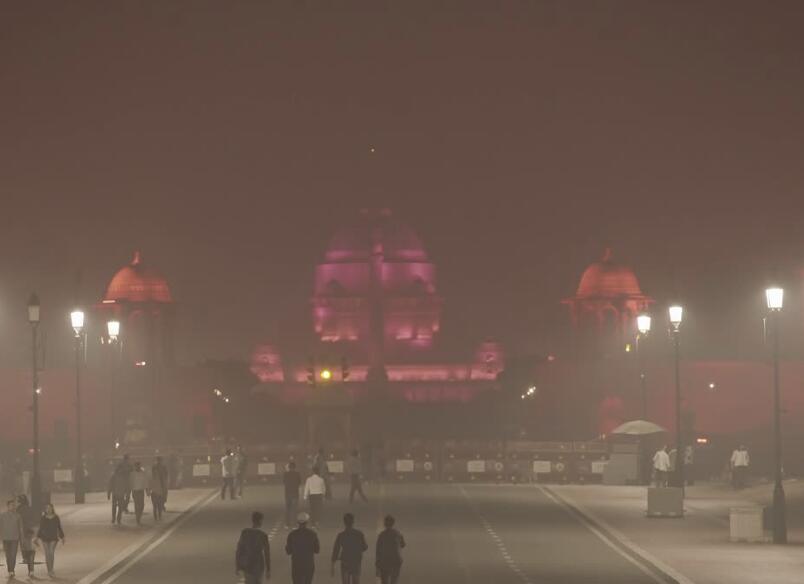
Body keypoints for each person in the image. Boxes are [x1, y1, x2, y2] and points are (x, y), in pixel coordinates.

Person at [331, 513, 367, 584]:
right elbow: (365, 547)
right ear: (353, 522)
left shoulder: (341, 535)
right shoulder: (359, 534)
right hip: (356, 561)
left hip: (345, 561)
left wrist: (333, 563)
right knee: (356, 581)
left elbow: (336, 549)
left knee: (345, 582)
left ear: (344, 522)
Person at [236, 511, 271, 583]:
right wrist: (268, 570)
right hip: (259, 565)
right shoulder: (263, 535)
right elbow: (267, 553)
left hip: (248, 564)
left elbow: (239, 549)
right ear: (260, 521)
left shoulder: (245, 532)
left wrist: (238, 565)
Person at [285, 512, 320, 584]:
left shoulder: (292, 535)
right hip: (309, 564)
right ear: (307, 522)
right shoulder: (313, 534)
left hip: (296, 564)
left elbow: (288, 551)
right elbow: (317, 550)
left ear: (298, 522)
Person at [35, 503, 65, 578]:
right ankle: (49, 570)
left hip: (53, 537)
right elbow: (40, 528)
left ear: (52, 508)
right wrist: (37, 537)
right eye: (47, 508)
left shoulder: (56, 517)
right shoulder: (43, 518)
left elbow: (59, 527)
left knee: (51, 552)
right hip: (44, 537)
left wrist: (62, 537)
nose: (48, 509)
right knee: (47, 554)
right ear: (45, 509)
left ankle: (51, 569)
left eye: (50, 508)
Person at [375, 515, 406, 584]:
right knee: (394, 581)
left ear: (385, 524)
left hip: (385, 561)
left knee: (384, 581)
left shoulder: (381, 535)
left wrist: (377, 564)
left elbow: (378, 551)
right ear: (393, 523)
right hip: (396, 560)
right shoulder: (398, 534)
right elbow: (403, 545)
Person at [1, 499, 23, 578]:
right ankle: (9, 569)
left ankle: (12, 570)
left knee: (13, 555)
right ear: (7, 506)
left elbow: (21, 528)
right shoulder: (2, 516)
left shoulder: (18, 516)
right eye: (11, 505)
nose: (12, 506)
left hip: (15, 538)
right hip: (5, 539)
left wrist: (21, 539)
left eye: (14, 505)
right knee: (8, 556)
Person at [17, 494, 36, 578]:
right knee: (29, 547)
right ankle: (30, 567)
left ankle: (25, 558)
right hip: (29, 530)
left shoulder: (19, 509)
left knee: (24, 545)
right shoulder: (30, 508)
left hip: (22, 530)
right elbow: (33, 519)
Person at [284, 461, 302, 528]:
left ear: (289, 467)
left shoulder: (286, 474)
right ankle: (294, 524)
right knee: (294, 510)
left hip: (287, 493)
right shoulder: (297, 474)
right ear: (295, 467)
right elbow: (299, 482)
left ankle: (287, 524)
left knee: (288, 510)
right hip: (295, 493)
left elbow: (284, 482)